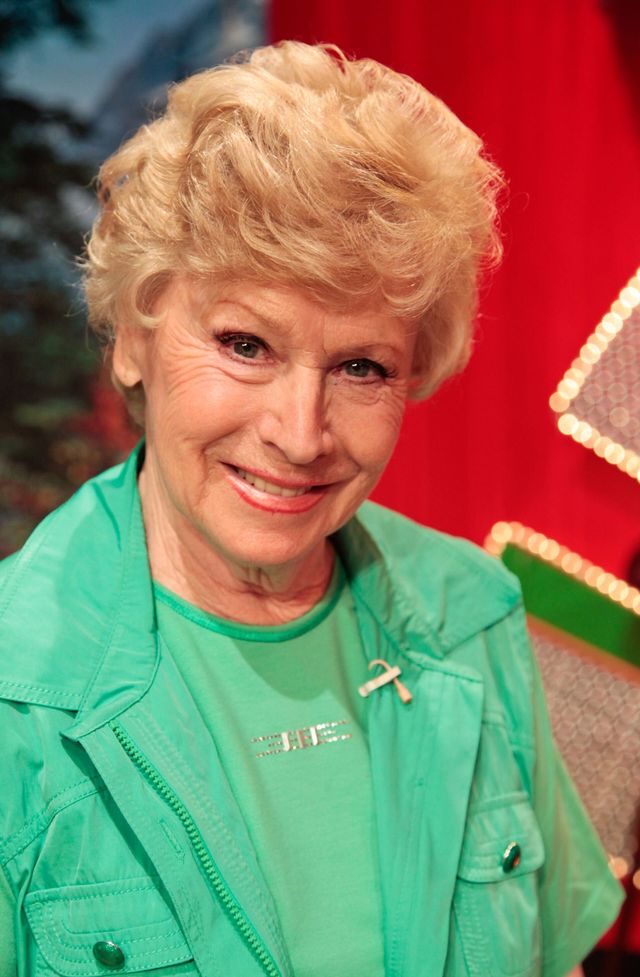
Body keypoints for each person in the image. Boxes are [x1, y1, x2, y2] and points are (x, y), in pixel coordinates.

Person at [0, 41, 622, 977]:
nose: (300, 435)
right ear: (133, 337)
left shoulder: (472, 612)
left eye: (361, 367)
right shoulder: (16, 687)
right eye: (245, 344)